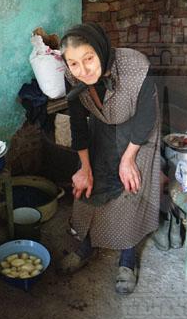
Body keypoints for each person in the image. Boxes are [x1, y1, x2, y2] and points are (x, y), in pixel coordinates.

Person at [58, 22, 160, 294]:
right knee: (91, 183)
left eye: (89, 58)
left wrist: (128, 159)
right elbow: (78, 123)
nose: (83, 70)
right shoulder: (71, 76)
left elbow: (147, 117)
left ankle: (128, 256)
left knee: (130, 185)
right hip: (104, 122)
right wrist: (84, 167)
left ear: (100, 51)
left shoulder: (136, 67)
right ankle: (87, 245)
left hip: (139, 130)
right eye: (74, 63)